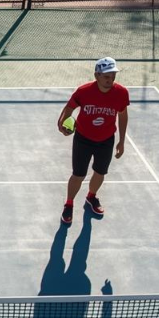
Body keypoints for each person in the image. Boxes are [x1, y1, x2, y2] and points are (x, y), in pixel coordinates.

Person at [56, 57, 129, 225]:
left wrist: (121, 141)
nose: (110, 79)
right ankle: (69, 204)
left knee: (100, 172)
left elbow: (123, 115)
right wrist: (62, 124)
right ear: (97, 75)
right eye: (106, 76)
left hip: (106, 140)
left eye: (112, 75)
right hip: (83, 139)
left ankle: (91, 197)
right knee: (78, 174)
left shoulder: (121, 93)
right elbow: (69, 108)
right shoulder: (84, 91)